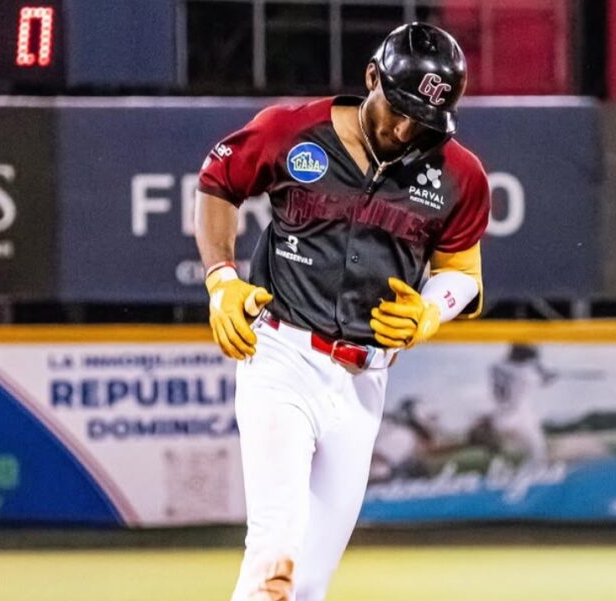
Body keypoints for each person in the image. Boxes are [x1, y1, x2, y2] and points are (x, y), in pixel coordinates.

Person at [194, 22, 490, 601]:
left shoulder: (460, 176)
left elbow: (464, 276)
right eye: (399, 109)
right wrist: (221, 280)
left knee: (308, 583)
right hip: (280, 356)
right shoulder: (291, 130)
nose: (407, 129)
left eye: (424, 121)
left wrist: (431, 311)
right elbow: (217, 182)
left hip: (364, 382)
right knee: (275, 551)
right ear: (372, 78)